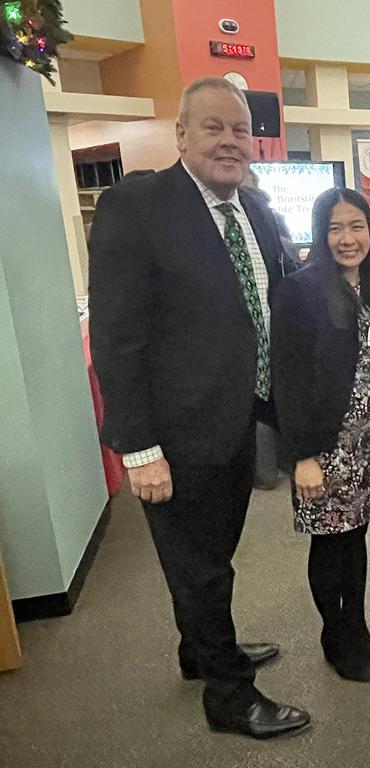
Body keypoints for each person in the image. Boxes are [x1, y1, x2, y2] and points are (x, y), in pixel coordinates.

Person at [88, 77, 310, 738]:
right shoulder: (137, 207)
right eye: (213, 127)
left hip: (238, 422)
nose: (230, 141)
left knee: (210, 553)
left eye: (240, 130)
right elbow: (117, 336)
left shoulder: (255, 209)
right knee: (203, 569)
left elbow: (273, 300)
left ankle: (200, 649)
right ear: (181, 134)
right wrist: (138, 448)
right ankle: (229, 695)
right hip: (174, 436)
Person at [270, 188, 370, 683]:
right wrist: (302, 456)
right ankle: (334, 636)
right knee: (329, 543)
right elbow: (288, 379)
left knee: (356, 536)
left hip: (368, 444)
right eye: (335, 228)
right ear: (321, 234)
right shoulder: (300, 291)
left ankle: (357, 629)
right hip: (324, 446)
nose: (347, 239)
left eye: (357, 227)